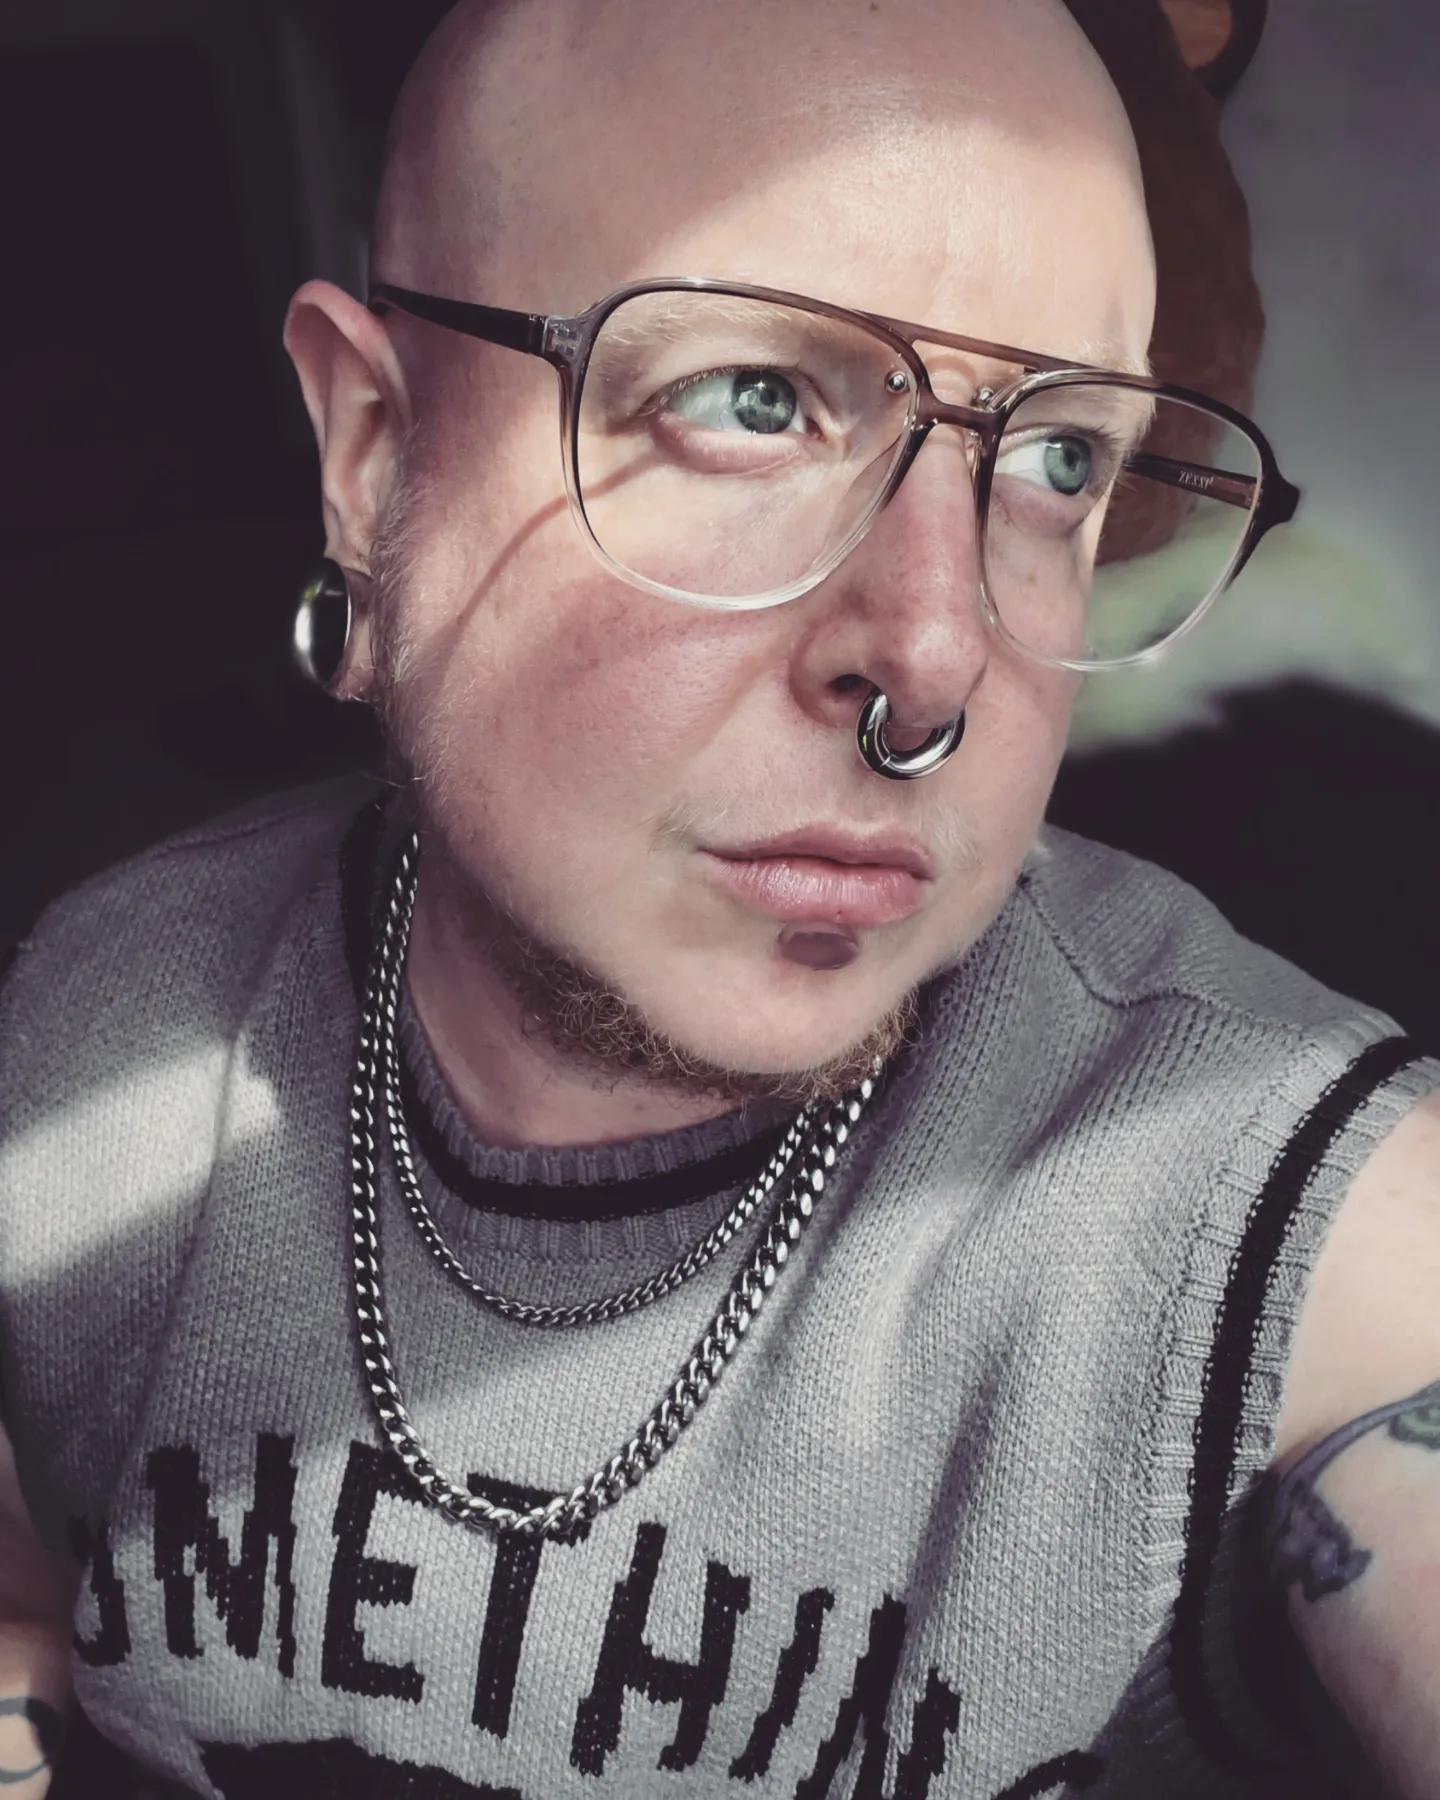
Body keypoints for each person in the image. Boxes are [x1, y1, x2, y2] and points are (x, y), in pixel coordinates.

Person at [1, 0, 1437, 1795]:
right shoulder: (92, 1047)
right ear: (374, 453)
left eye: (1058, 458)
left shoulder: (1284, 1214)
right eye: (755, 399)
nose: (936, 662)